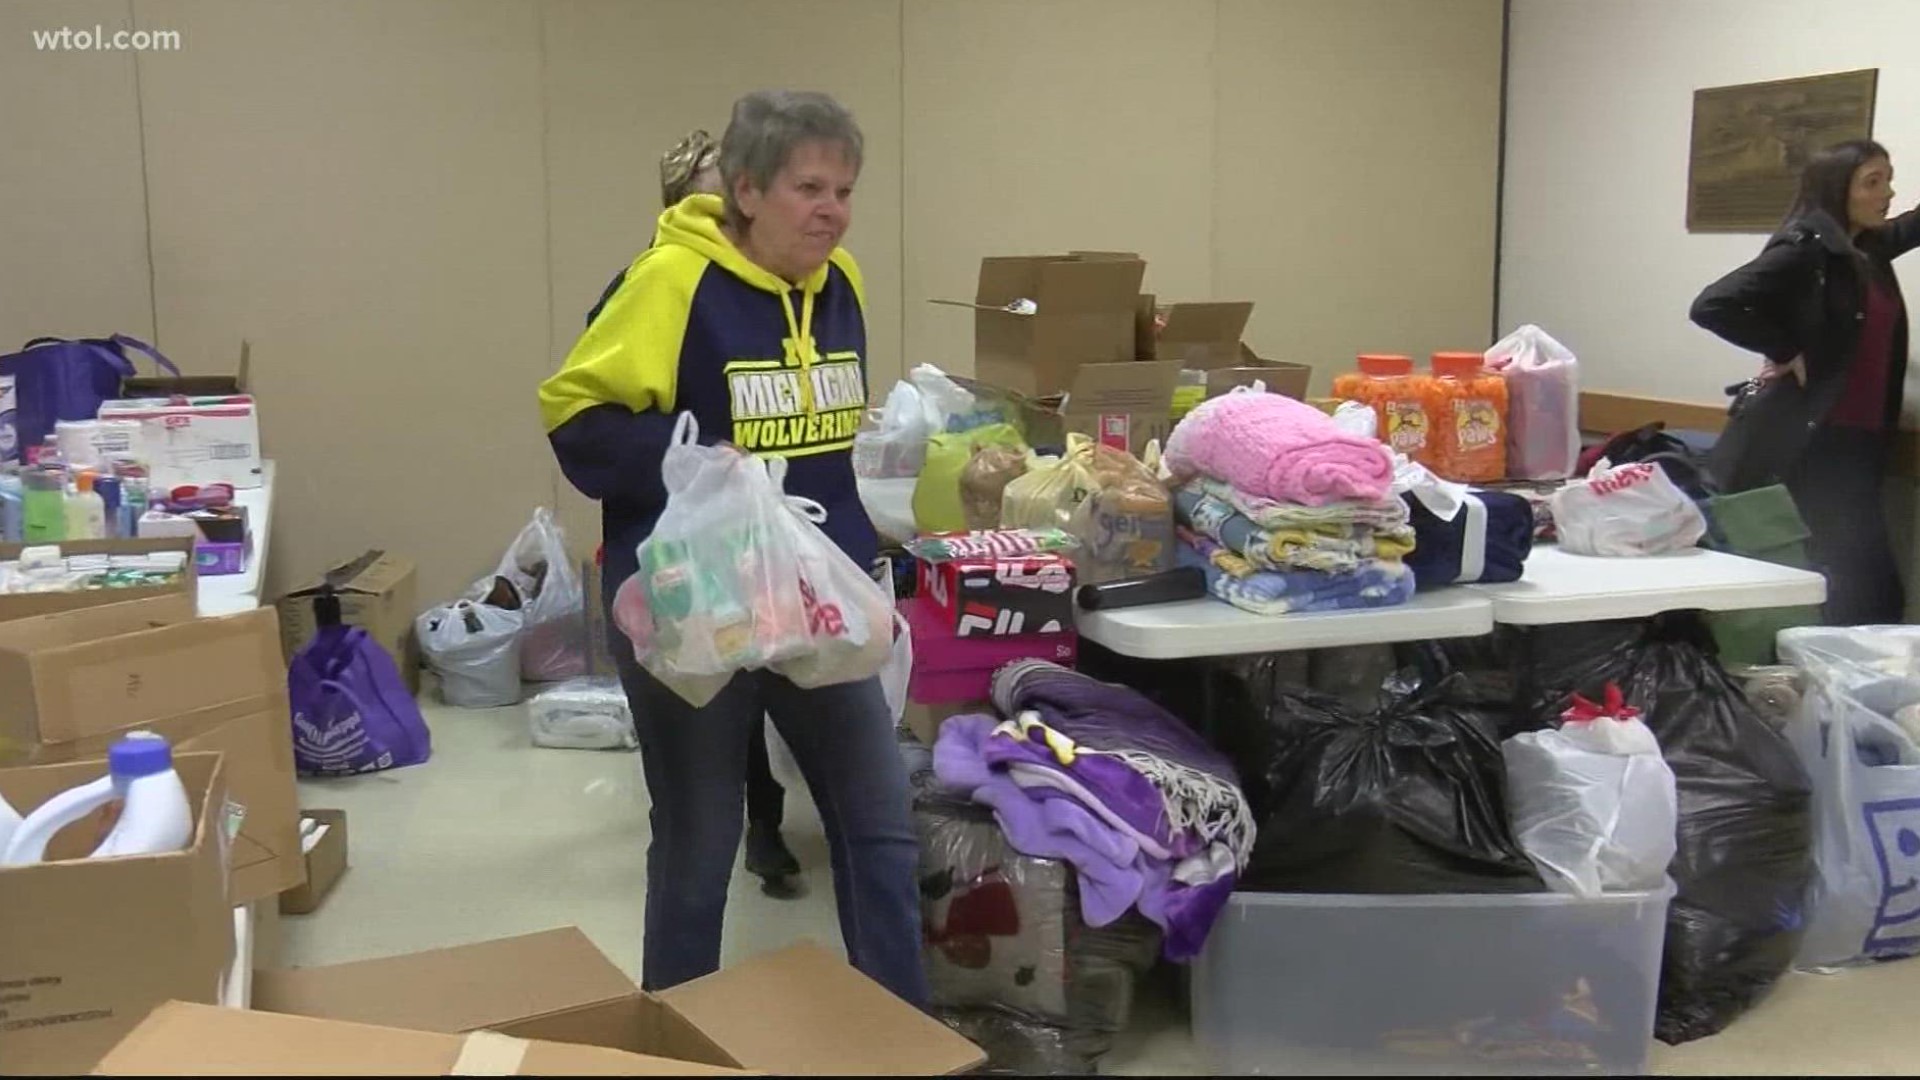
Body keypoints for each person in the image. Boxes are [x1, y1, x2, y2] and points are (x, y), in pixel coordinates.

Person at [539, 90, 928, 1005]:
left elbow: (823, 449)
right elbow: (576, 423)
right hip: (694, 609)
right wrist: (694, 456)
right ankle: (679, 1042)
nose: (832, 210)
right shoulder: (672, 283)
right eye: (809, 188)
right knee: (699, 841)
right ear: (746, 190)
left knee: (879, 827)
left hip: (814, 604)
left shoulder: (843, 285)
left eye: (844, 189)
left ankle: (907, 1044)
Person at [584, 127, 805, 899]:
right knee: (696, 748)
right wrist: (699, 457)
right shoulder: (647, 287)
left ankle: (768, 823)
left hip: (763, 548)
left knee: (757, 686)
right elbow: (591, 428)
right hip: (677, 551)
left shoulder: (780, 291)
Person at [1691, 139, 1919, 626]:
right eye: (1873, 182)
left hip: (1862, 439)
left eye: (1889, 179)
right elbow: (1712, 304)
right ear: (1839, 190)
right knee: (1863, 587)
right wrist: (1783, 349)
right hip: (1819, 444)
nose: (1888, 192)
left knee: (1855, 583)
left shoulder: (1867, 248)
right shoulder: (1807, 249)